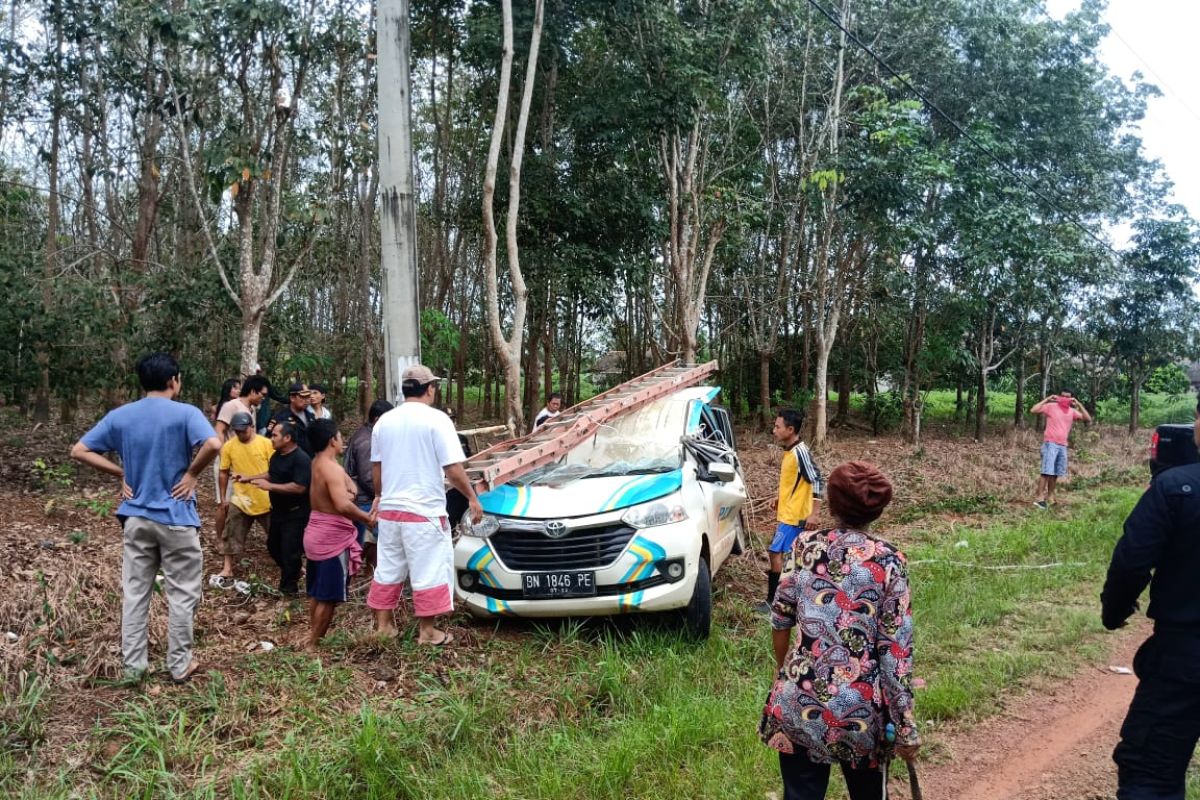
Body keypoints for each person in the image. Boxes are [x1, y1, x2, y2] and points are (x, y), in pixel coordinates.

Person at [760, 461, 919, 800]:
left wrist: (782, 670)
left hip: (799, 699)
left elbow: (780, 618)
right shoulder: (889, 562)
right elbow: (895, 652)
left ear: (831, 503)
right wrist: (905, 725)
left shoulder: (803, 547)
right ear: (876, 512)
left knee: (800, 794)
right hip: (860, 714)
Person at [69, 352, 221, 683]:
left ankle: (134, 668)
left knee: (136, 593)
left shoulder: (121, 416)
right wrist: (193, 473)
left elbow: (79, 450)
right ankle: (179, 665)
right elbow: (212, 443)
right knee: (182, 594)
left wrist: (121, 472)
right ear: (173, 381)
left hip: (135, 517)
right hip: (177, 517)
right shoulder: (186, 413)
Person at [1102, 401, 1200, 800]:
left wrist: (1115, 611)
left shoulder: (1175, 488)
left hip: (1184, 657)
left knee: (1150, 775)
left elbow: (1132, 560)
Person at [367, 365, 483, 646]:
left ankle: (384, 627)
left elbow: (377, 468)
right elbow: (453, 468)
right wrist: (471, 497)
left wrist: (380, 496)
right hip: (423, 512)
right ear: (430, 388)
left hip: (391, 511)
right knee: (429, 569)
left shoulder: (384, 422)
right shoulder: (437, 420)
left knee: (388, 567)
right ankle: (428, 632)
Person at [302, 419, 374, 651]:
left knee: (317, 590)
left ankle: (311, 635)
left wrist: (348, 491)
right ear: (332, 440)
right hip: (330, 537)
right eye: (341, 436)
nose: (343, 440)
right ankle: (314, 643)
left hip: (316, 531)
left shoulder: (320, 462)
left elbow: (349, 488)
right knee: (328, 596)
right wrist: (367, 519)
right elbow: (343, 505)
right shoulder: (331, 468)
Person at [756, 408, 824, 616]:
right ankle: (790, 599)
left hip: (796, 517)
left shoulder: (800, 452)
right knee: (789, 557)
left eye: (778, 427)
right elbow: (794, 482)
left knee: (776, 553)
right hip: (788, 513)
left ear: (790, 429)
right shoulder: (789, 452)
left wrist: (814, 514)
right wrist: (780, 498)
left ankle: (774, 602)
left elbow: (817, 481)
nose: (774, 430)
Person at [239, 421, 311, 596]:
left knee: (290, 551)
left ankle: (288, 590)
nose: (271, 438)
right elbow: (272, 474)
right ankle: (292, 572)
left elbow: (299, 487)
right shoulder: (277, 455)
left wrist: (270, 487)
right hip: (278, 512)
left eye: (275, 435)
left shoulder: (301, 459)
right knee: (273, 546)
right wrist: (249, 478)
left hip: (296, 513)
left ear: (287, 438)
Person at [213, 412, 273, 586]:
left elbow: (275, 471)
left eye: (243, 430)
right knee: (230, 531)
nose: (240, 434)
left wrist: (252, 477)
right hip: (241, 498)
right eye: (237, 431)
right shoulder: (229, 446)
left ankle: (286, 565)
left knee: (277, 535)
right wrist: (223, 498)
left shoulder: (266, 444)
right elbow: (223, 472)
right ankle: (227, 567)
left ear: (252, 427)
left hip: (265, 498)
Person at [212, 376, 270, 545]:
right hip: (228, 462)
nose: (263, 398)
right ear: (252, 391)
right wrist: (224, 458)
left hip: (245, 464)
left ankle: (233, 537)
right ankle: (220, 539)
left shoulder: (251, 409)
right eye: (262, 394)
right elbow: (220, 431)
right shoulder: (232, 406)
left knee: (239, 502)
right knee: (224, 503)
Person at [345, 399, 394, 566]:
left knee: (373, 541)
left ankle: (370, 573)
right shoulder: (367, 441)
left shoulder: (370, 435)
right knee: (378, 539)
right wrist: (384, 495)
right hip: (366, 500)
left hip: (366, 498)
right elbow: (368, 477)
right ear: (377, 419)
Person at [1030, 390, 1092, 508]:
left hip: (1062, 445)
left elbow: (1087, 418)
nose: (1064, 398)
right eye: (1062, 396)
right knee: (1046, 471)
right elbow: (1034, 410)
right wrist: (1047, 399)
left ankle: (1050, 496)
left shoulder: (1072, 412)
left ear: (1071, 399)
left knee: (1056, 472)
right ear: (1058, 396)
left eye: (1067, 397)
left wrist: (1078, 404)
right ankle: (1039, 498)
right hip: (1050, 443)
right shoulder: (1051, 406)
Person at [271, 382, 316, 456]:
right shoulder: (281, 418)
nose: (307, 400)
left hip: (309, 461)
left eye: (308, 397)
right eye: (303, 397)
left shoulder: (311, 416)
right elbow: (271, 441)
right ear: (292, 398)